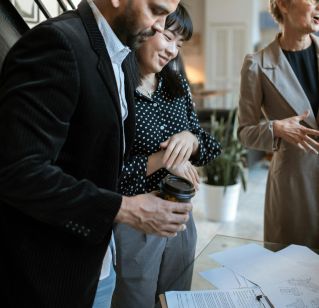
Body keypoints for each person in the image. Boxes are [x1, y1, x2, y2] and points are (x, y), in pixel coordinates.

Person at [0, 0, 194, 307]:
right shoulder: (57, 44)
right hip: (49, 274)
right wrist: (125, 209)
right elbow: (18, 171)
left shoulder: (125, 56)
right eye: (156, 11)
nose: (160, 26)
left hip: (100, 260)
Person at [111, 5, 221, 308]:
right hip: (136, 219)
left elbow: (210, 147)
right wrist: (165, 160)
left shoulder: (176, 85)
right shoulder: (116, 88)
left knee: (176, 301)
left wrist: (191, 139)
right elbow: (107, 174)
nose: (173, 51)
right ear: (146, 29)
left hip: (181, 215)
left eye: (180, 44)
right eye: (169, 38)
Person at [238, 0, 319, 248]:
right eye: (312, 0)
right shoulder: (257, 64)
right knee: (291, 272)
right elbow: (244, 132)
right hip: (293, 188)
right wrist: (276, 128)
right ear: (283, 4)